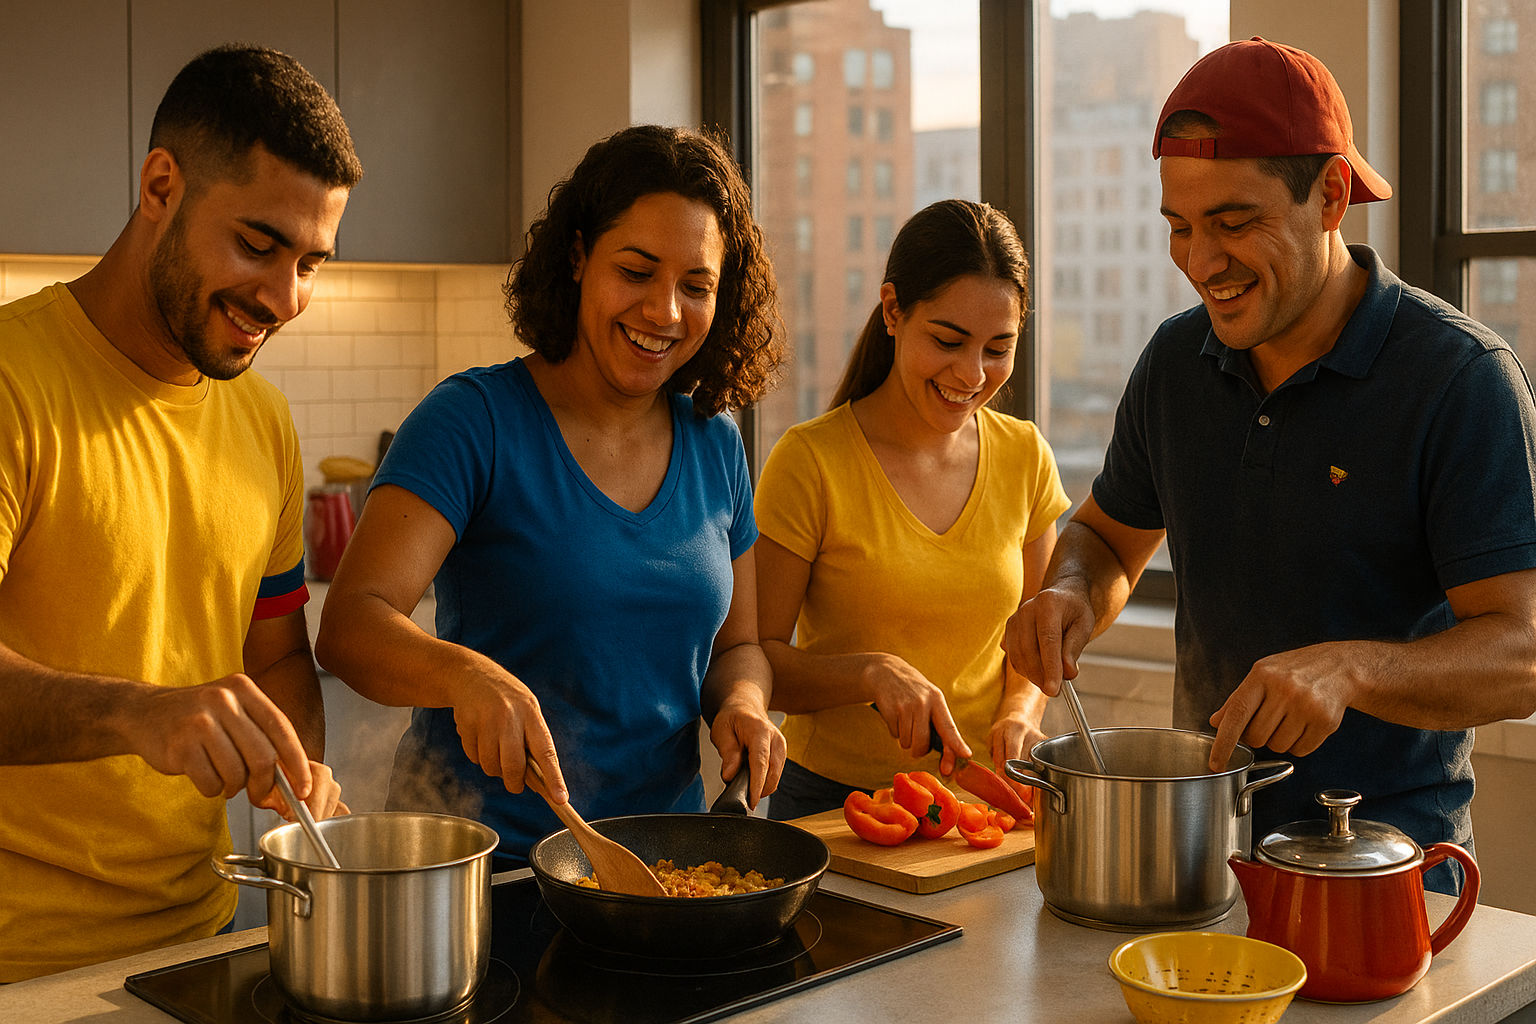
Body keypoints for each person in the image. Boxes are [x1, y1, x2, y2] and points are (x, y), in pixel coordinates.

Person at [1004, 38, 1536, 893]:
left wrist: (1350, 668)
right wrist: (1068, 590)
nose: (1200, 263)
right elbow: (1106, 540)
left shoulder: (1460, 380)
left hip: (1392, 874)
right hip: (1200, 863)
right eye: (1179, 227)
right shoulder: (1175, 365)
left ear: (1330, 195)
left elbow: (1524, 653)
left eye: (1233, 222)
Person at [315, 125, 787, 869]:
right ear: (576, 258)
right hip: (482, 873)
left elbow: (740, 648)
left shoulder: (716, 442)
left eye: (695, 286)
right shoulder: (474, 421)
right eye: (636, 272)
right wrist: (463, 674)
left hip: (665, 871)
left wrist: (742, 705)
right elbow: (348, 627)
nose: (665, 311)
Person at [0, 45, 362, 981]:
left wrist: (300, 766)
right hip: (23, 965)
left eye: (312, 262)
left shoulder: (263, 419)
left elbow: (276, 650)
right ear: (162, 183)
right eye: (258, 244)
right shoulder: (14, 382)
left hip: (203, 946)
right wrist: (140, 715)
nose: (285, 299)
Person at [754, 200, 1069, 820]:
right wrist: (871, 674)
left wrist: (1018, 712)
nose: (972, 374)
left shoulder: (1025, 456)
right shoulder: (810, 460)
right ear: (894, 310)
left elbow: (1037, 645)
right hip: (832, 805)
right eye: (948, 341)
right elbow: (757, 660)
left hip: (982, 803)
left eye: (998, 348)